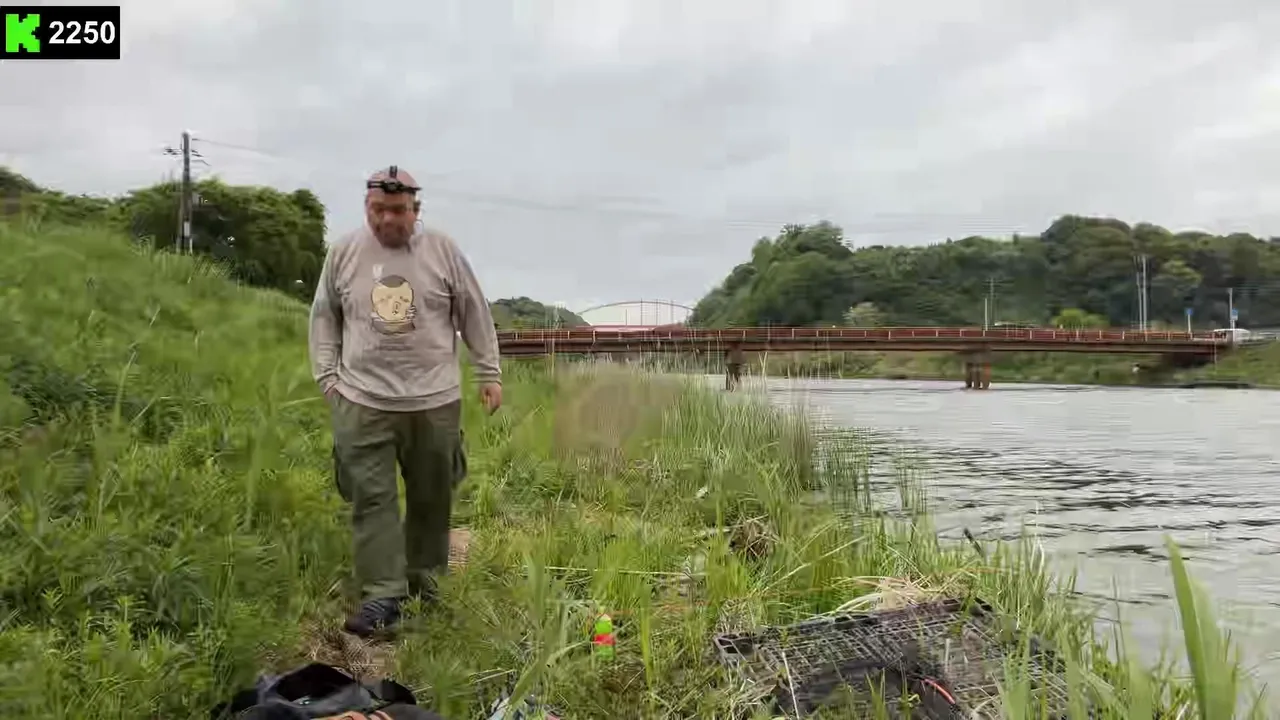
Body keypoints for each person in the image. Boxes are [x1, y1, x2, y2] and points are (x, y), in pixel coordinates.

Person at [308, 166, 502, 638]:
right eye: (378, 209)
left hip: (433, 401)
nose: (387, 219)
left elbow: (473, 312)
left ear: (416, 209)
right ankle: (382, 596)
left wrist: (488, 372)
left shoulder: (443, 251)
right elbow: (324, 316)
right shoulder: (344, 253)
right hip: (362, 399)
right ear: (366, 207)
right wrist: (328, 377)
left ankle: (426, 585)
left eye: (397, 210)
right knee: (371, 499)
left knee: (432, 497)